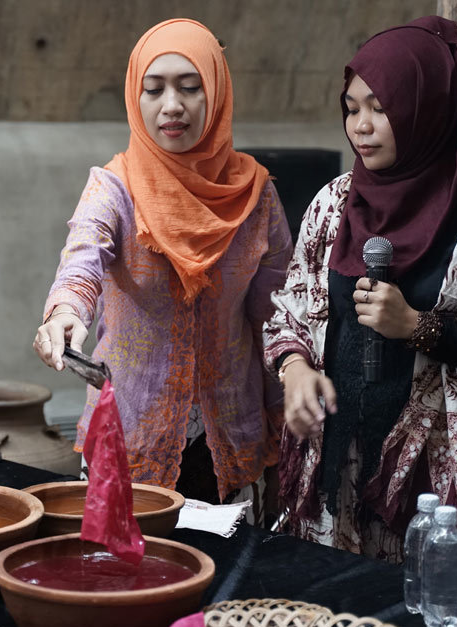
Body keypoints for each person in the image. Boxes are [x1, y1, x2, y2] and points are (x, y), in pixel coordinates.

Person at [263, 15, 457, 560]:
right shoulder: (332, 204)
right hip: (330, 481)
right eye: (351, 109)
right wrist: (296, 369)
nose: (361, 127)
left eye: (381, 108)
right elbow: (289, 316)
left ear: (428, 108)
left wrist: (420, 328)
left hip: (429, 493)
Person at [33, 18, 292, 524]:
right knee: (125, 583)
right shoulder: (114, 188)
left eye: (189, 87)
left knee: (220, 585)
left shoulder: (257, 196)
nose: (170, 105)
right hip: (130, 436)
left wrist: (285, 421)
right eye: (153, 89)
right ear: (136, 97)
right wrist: (66, 312)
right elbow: (84, 254)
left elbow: (274, 316)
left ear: (214, 93)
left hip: (229, 439)